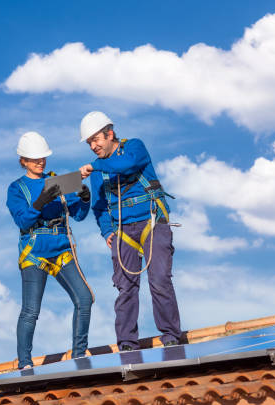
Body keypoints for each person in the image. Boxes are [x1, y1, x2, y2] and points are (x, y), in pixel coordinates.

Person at [78, 111, 182, 351]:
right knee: (125, 287)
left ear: (110, 134)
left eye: (97, 139)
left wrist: (95, 166)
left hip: (152, 222)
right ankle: (126, 343)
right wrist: (106, 231)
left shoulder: (134, 147)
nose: (93, 146)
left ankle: (171, 336)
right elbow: (99, 206)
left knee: (159, 280)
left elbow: (127, 165)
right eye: (90, 142)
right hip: (122, 230)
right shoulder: (98, 171)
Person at [7, 131, 93, 369]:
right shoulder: (16, 189)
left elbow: (78, 215)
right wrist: (40, 202)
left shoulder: (58, 180)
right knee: (31, 310)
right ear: (23, 160)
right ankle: (25, 364)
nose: (40, 162)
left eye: (42, 157)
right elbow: (23, 221)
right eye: (35, 159)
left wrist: (84, 198)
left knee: (84, 299)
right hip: (34, 251)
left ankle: (79, 355)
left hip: (62, 247)